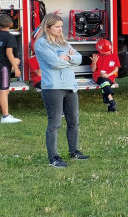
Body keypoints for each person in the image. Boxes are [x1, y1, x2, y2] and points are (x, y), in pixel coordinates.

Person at [33, 12, 88, 167]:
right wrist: (66, 59)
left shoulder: (63, 43)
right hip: (53, 87)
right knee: (54, 123)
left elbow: (79, 58)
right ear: (48, 27)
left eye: (61, 26)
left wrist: (67, 58)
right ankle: (54, 158)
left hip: (70, 86)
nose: (60, 29)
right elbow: (54, 63)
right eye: (57, 27)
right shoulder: (41, 44)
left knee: (74, 122)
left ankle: (74, 151)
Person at [0, 13, 22, 123]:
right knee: (4, 91)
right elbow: (9, 53)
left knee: (17, 60)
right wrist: (17, 69)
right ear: (11, 24)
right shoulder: (10, 37)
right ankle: (5, 117)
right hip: (2, 66)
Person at [90, 38, 119, 113]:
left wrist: (108, 75)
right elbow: (93, 70)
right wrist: (94, 62)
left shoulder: (114, 56)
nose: (106, 54)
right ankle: (111, 100)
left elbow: (116, 69)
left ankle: (111, 102)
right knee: (104, 81)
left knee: (105, 82)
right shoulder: (97, 56)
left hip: (110, 77)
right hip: (98, 76)